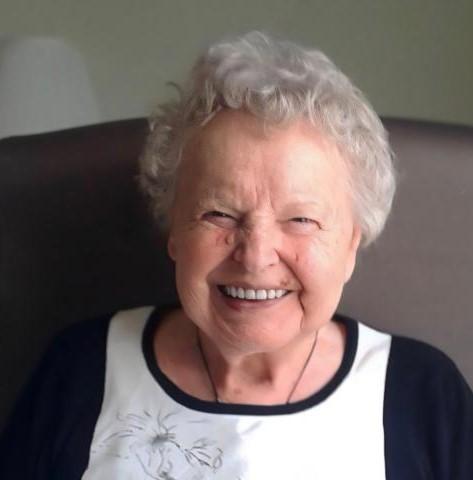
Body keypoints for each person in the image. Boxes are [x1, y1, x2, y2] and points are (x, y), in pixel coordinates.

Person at [1, 31, 472, 479]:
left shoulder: (423, 395)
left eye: (300, 219)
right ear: (173, 229)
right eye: (219, 214)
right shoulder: (81, 368)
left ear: (352, 243)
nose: (255, 256)